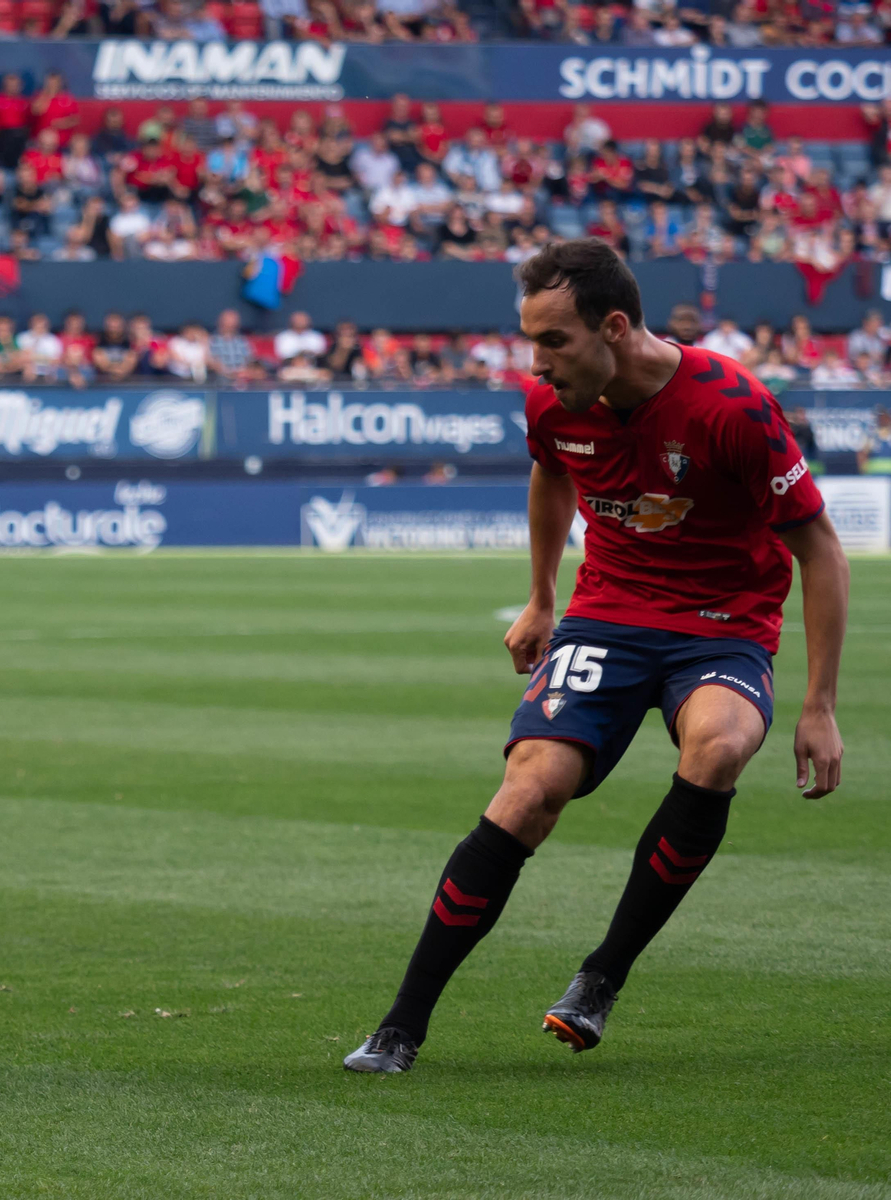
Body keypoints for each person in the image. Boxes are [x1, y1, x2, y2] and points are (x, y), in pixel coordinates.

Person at [345, 238, 848, 1074]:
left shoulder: (732, 406)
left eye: (553, 341)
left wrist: (819, 705)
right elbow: (552, 478)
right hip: (607, 618)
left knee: (719, 744)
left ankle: (601, 977)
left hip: (723, 624)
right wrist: (543, 596)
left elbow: (821, 549)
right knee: (529, 790)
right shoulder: (553, 405)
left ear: (614, 327)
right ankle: (400, 1027)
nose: (535, 363)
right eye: (529, 339)